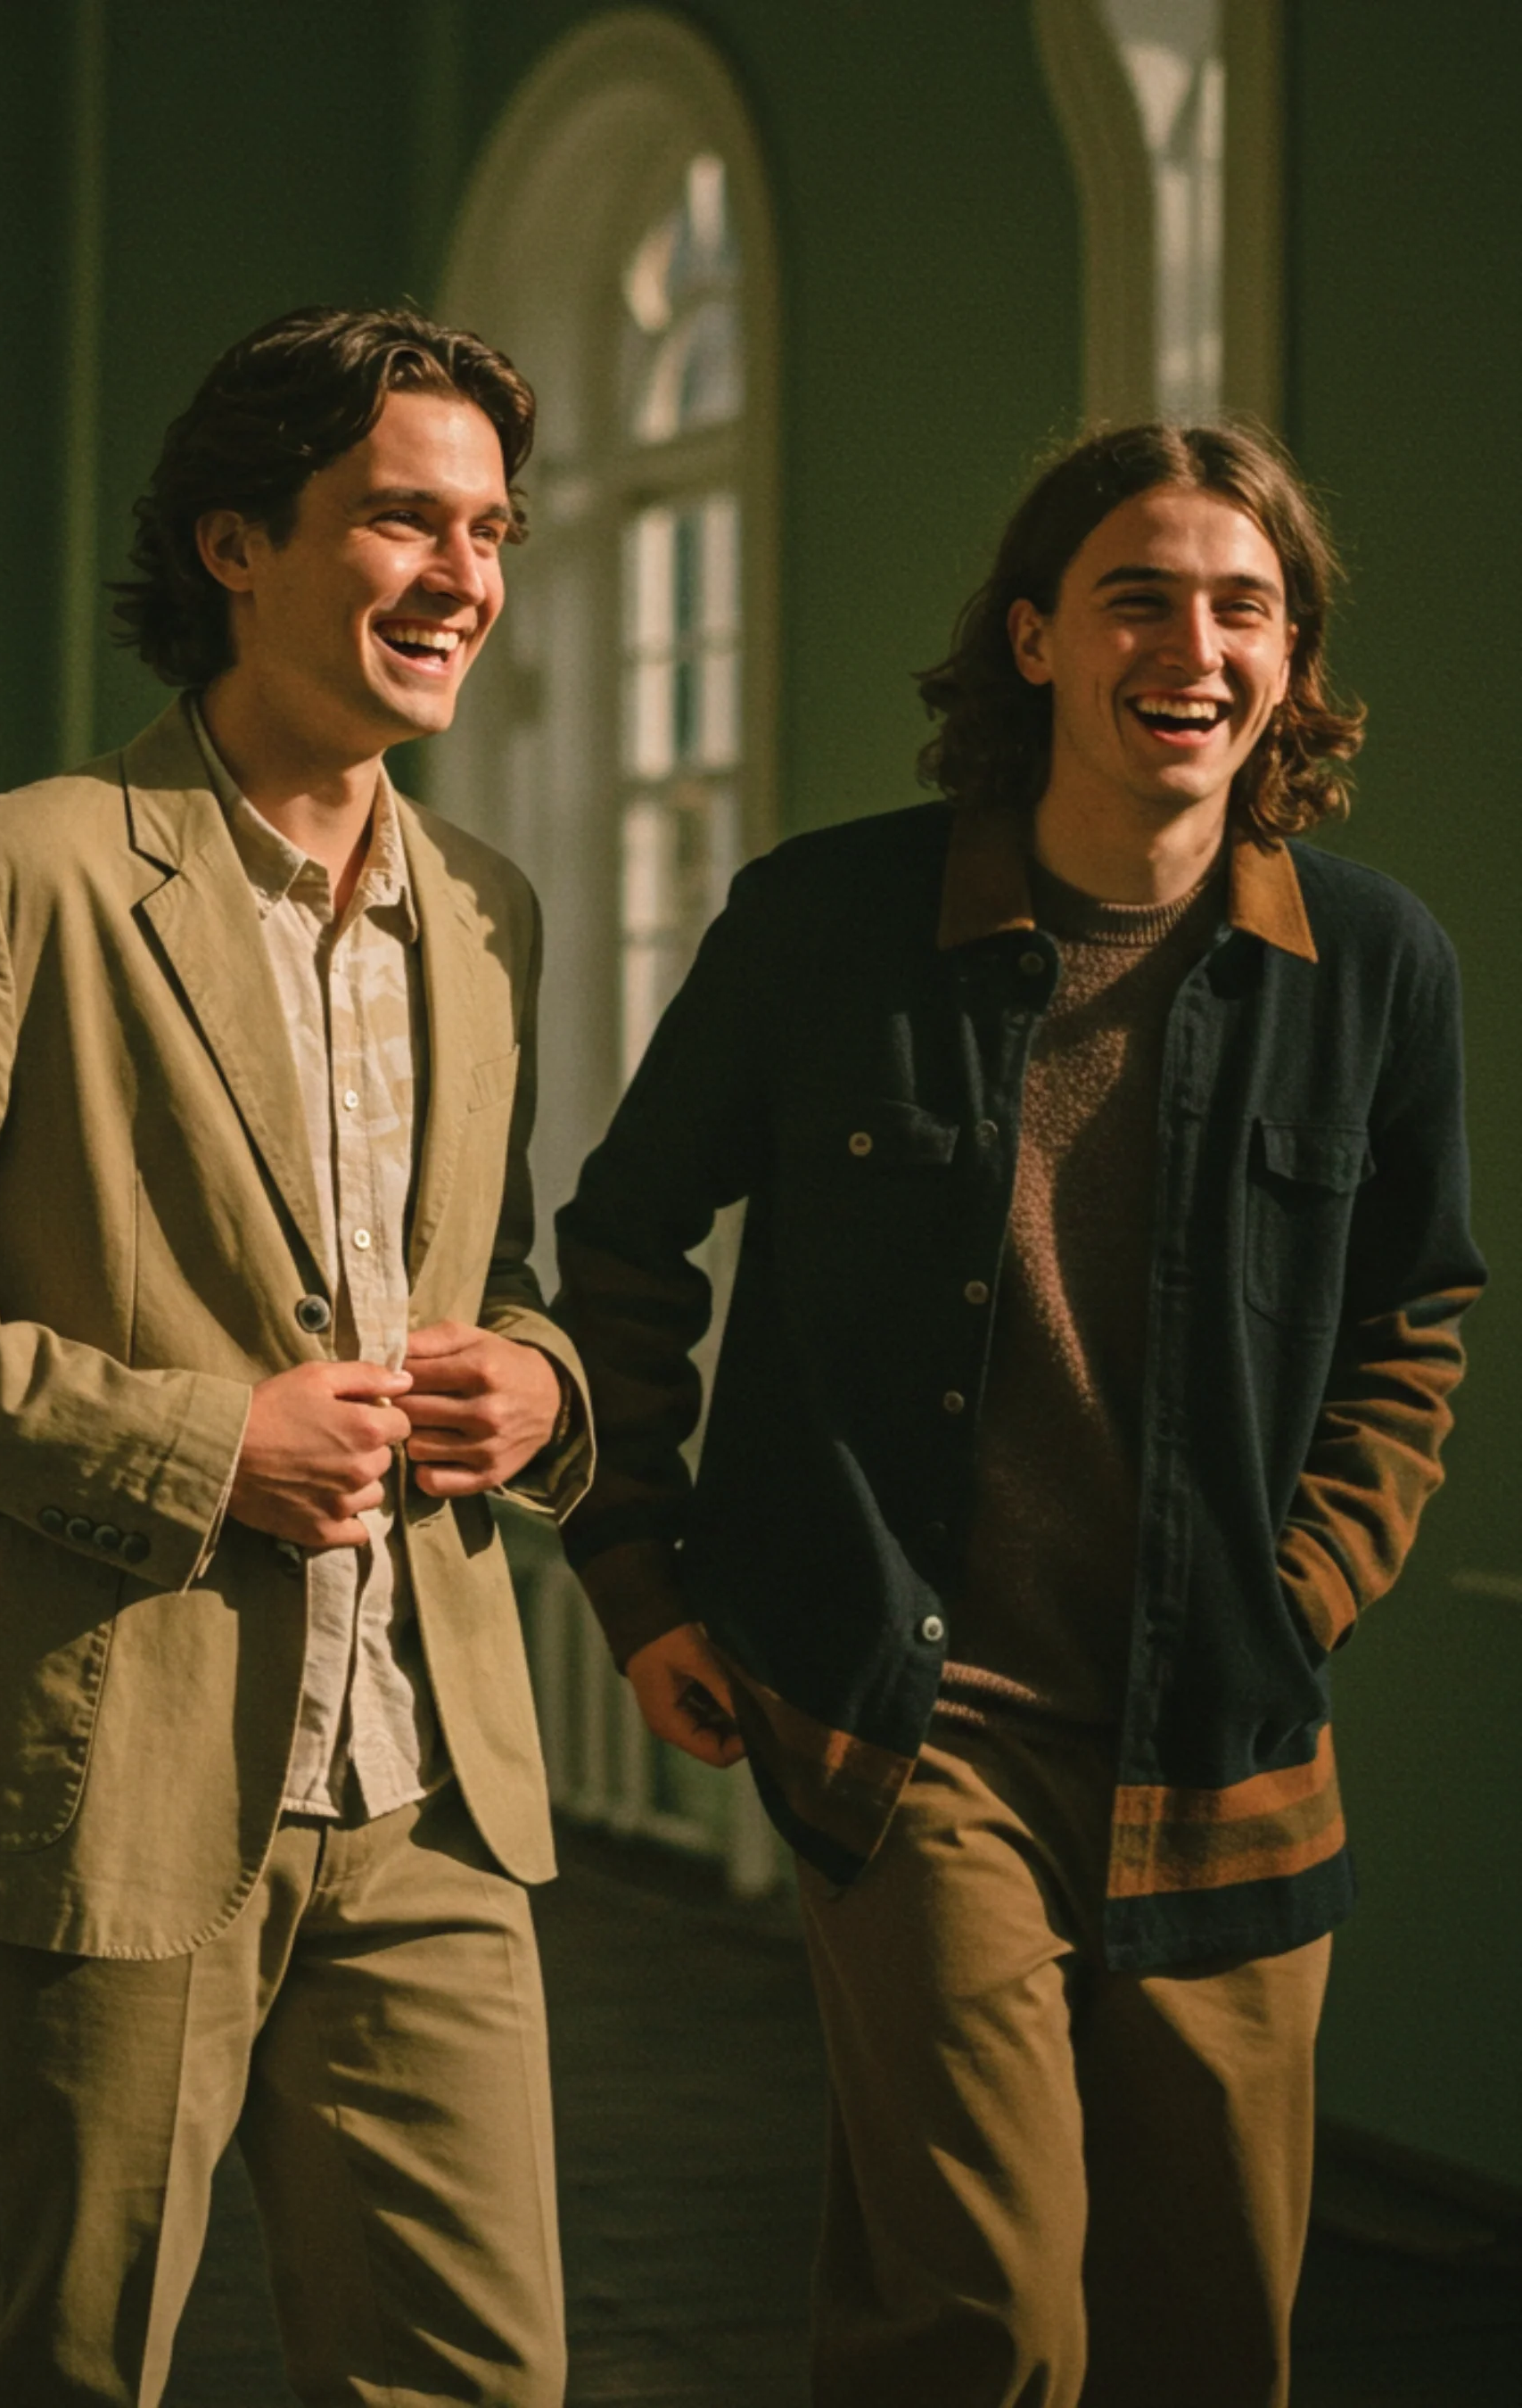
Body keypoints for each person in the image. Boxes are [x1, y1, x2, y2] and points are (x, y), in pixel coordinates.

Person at [0, 306, 589, 2408]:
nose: (463, 573)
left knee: (489, 2378)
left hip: (431, 1790)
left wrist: (542, 1387)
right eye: (402, 519)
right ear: (235, 544)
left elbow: (507, 1267)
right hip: (116, 1776)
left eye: (492, 529)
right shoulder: (13, 880)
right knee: (76, 2365)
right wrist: (205, 1444)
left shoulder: (486, 911)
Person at [552, 420, 1482, 2408]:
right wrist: (638, 1569)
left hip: (1224, 1738)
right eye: (1141, 594)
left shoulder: (1378, 964)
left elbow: (1416, 1320)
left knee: (1211, 2339)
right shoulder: (823, 924)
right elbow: (627, 1241)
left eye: (1250, 607)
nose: (1198, 643)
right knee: (984, 2321)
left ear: (1293, 664)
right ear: (1036, 637)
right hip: (912, 1727)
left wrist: (1306, 1580)